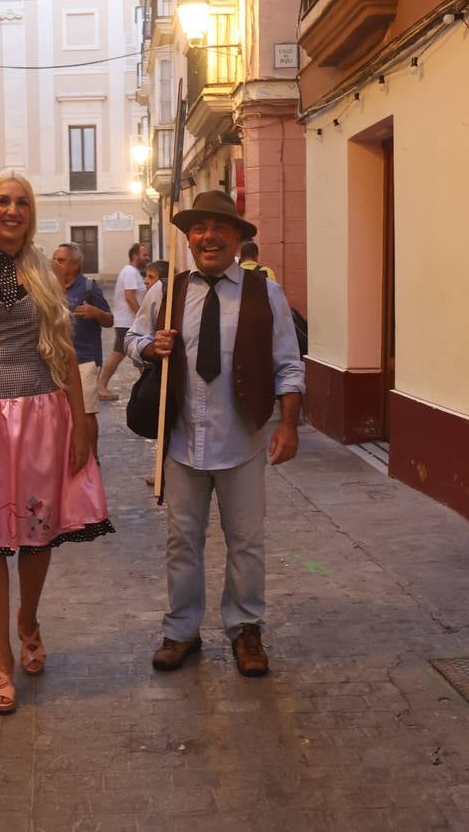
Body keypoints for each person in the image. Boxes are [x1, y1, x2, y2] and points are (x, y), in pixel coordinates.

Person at [0, 171, 112, 715]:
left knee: (37, 533)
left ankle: (28, 618)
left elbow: (60, 349)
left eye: (22, 203)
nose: (12, 210)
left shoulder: (42, 270)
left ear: (31, 214)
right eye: (3, 202)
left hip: (39, 415)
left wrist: (81, 423)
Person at [126, 190, 305, 678]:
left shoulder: (264, 292)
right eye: (199, 229)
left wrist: (288, 424)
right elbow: (132, 338)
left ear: (237, 238)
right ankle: (181, 629)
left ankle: (246, 628)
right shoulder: (167, 291)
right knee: (182, 541)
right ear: (188, 238)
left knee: (246, 541)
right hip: (183, 441)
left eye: (220, 228)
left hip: (241, 440)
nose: (209, 237)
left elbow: (288, 362)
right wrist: (151, 346)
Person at [51, 242, 113, 457]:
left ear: (75, 265)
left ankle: (91, 460)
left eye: (61, 260)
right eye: (54, 259)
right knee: (58, 412)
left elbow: (109, 320)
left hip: (84, 359)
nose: (55, 263)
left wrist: (96, 313)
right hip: (55, 360)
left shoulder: (89, 287)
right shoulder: (49, 286)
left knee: (86, 412)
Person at [96, 242, 149, 400]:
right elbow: (130, 297)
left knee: (140, 355)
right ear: (134, 256)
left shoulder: (133, 272)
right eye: (144, 254)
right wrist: (142, 317)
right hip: (128, 322)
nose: (147, 257)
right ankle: (100, 386)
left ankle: (149, 386)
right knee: (119, 354)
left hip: (131, 322)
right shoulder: (130, 272)